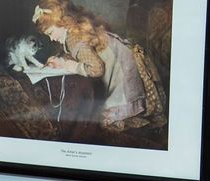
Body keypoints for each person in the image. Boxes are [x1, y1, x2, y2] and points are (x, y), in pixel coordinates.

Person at [33, 0, 165, 131]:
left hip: (123, 69)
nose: (51, 39)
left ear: (62, 23)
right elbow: (82, 54)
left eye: (50, 33)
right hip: (122, 57)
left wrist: (69, 65)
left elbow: (97, 68)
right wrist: (61, 59)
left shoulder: (74, 40)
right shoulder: (73, 31)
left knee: (104, 119)